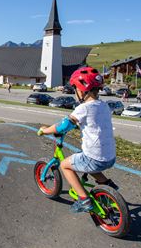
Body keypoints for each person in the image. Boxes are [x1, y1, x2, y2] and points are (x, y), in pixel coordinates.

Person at [37, 66, 118, 213]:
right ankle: (107, 184)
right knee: (89, 163)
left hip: (95, 157)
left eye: (75, 89)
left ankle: (84, 199)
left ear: (81, 90)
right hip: (110, 156)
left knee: (65, 165)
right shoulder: (104, 106)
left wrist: (45, 130)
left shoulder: (83, 108)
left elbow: (63, 126)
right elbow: (95, 122)